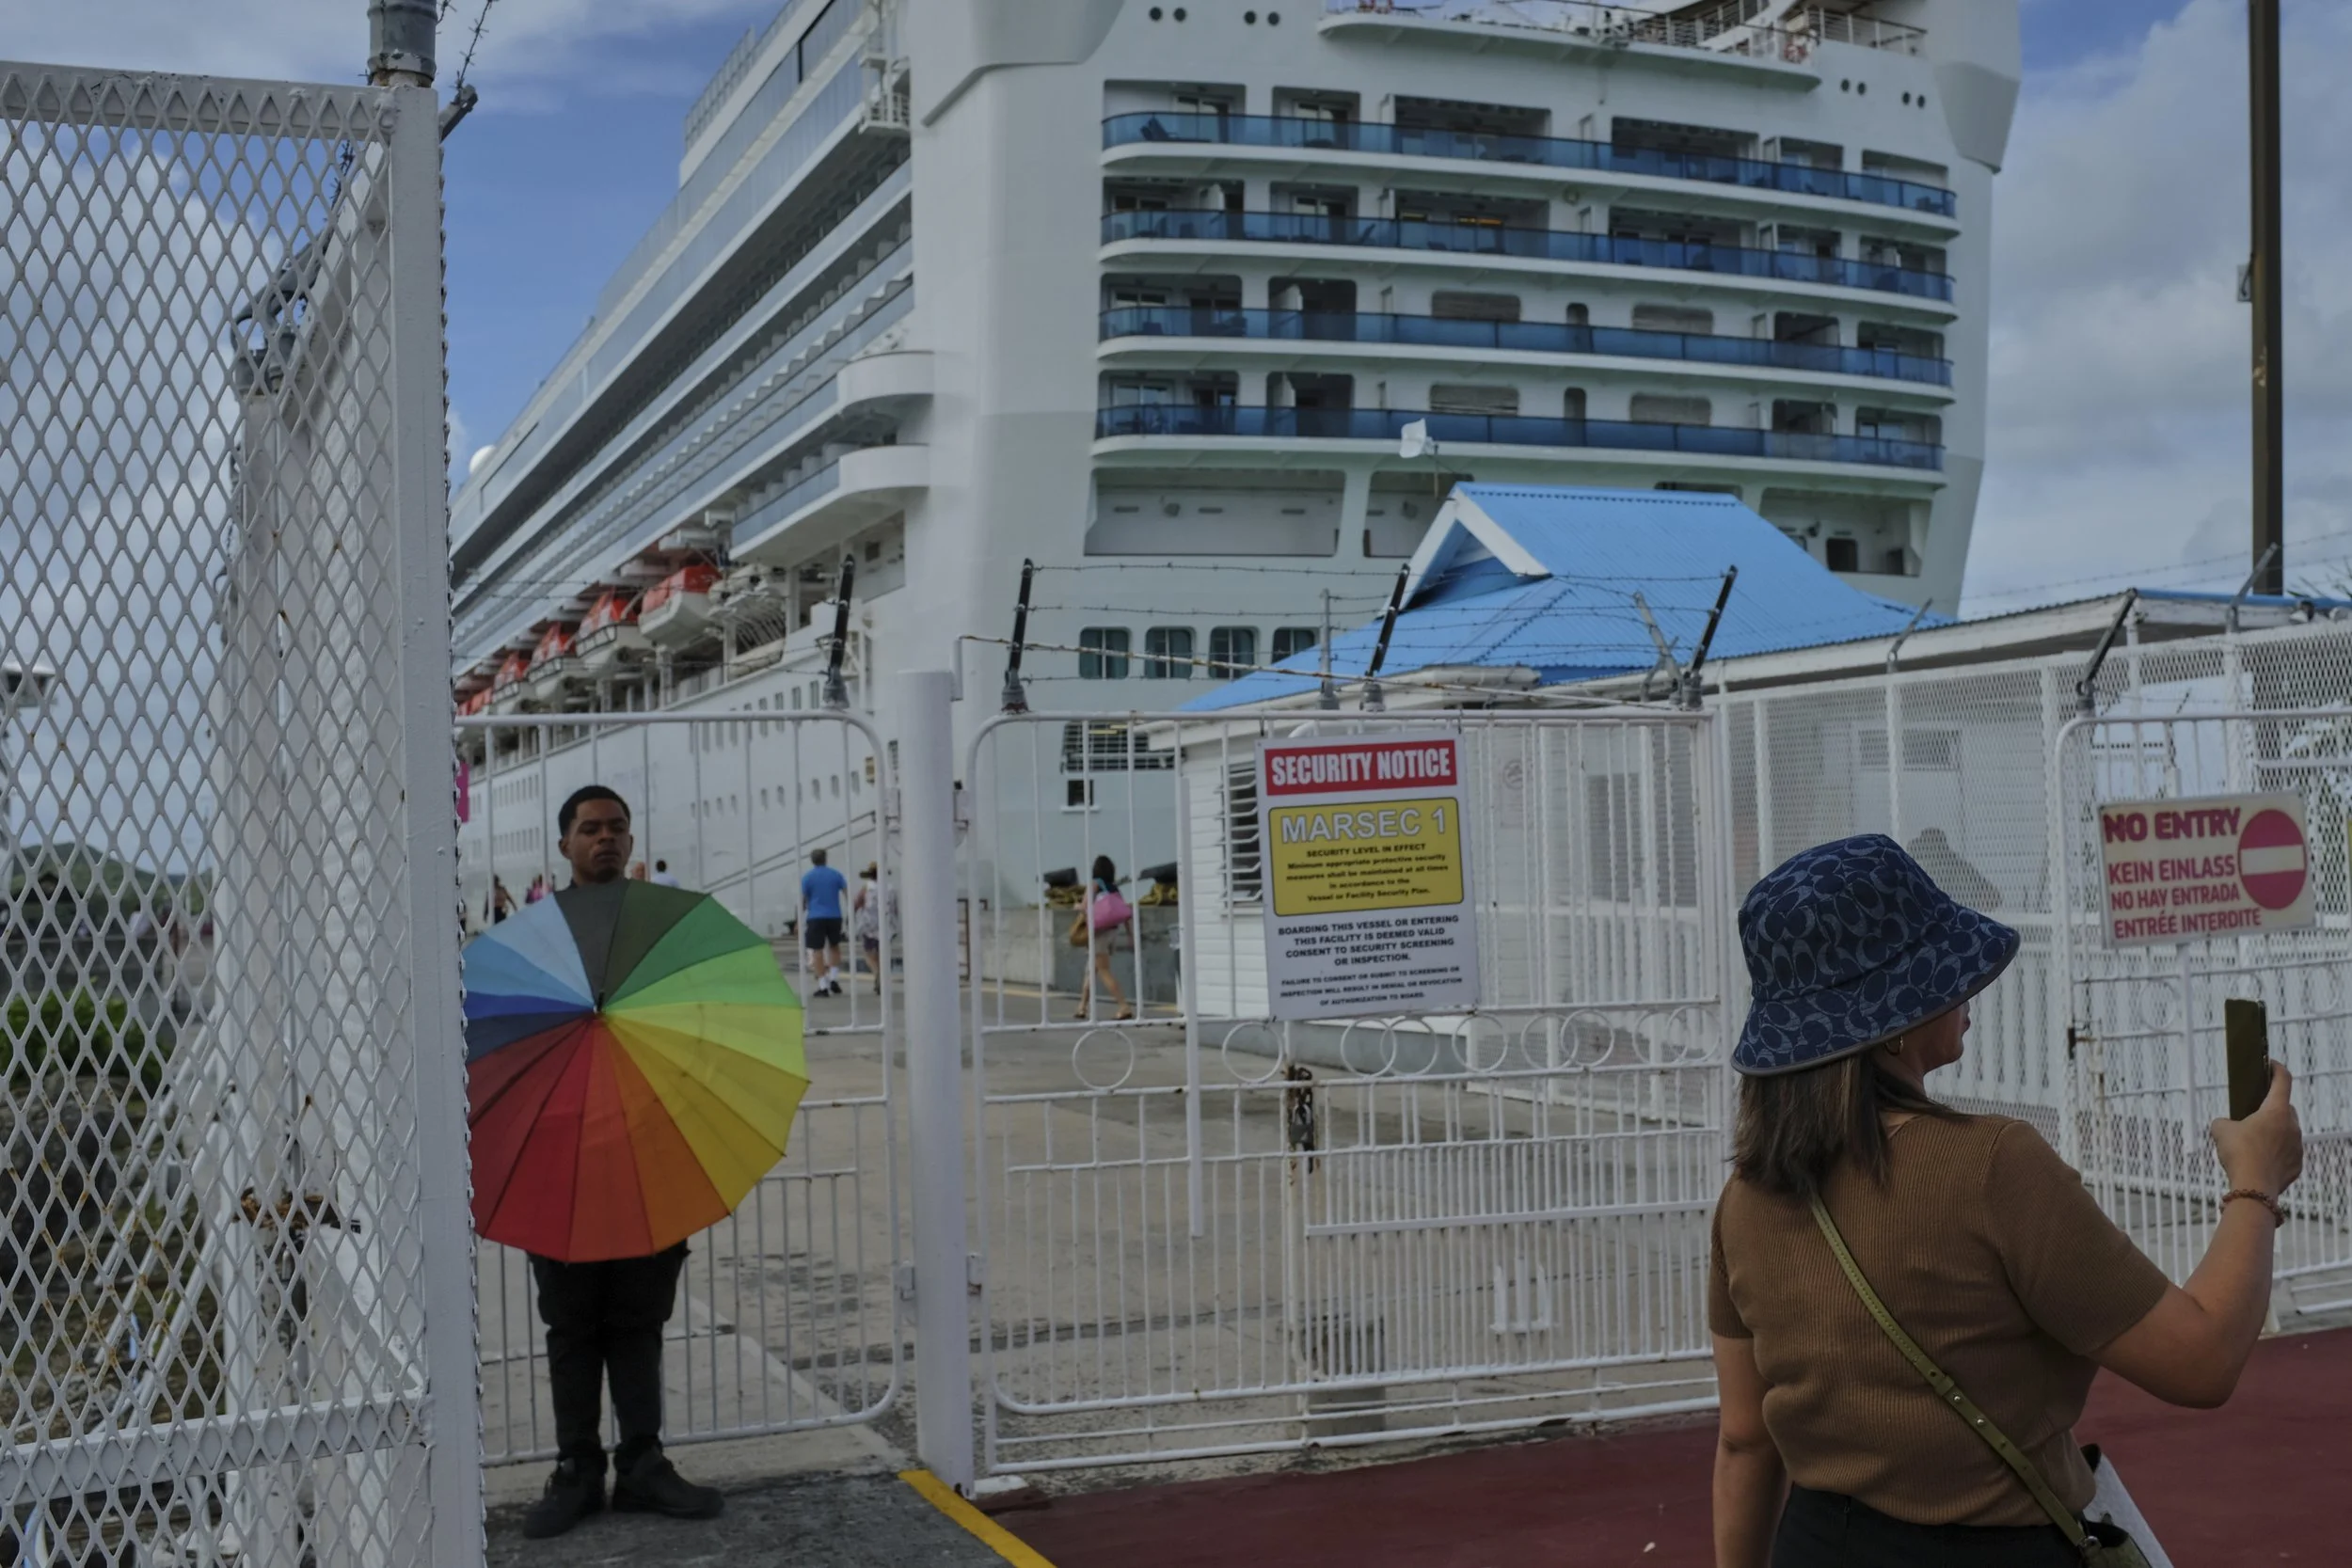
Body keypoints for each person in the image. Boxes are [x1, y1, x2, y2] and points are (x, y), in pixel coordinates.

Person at [1710, 835, 2304, 1568]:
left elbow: (1744, 1439)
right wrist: (2257, 1181)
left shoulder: (1745, 1199)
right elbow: (2201, 1359)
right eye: (1938, 970)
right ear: (1890, 1025)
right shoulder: (1993, 1167)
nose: (1966, 988)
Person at [520, 785, 725, 1541]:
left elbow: (698, 1015)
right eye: (589, 828)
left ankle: (642, 1462)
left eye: (616, 828)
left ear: (630, 840)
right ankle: (577, 1468)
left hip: (647, 1146)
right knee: (571, 1324)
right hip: (563, 1153)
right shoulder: (539, 934)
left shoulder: (660, 926)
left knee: (640, 1319)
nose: (604, 838)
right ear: (565, 845)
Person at [1071, 855, 1134, 1022]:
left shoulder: (1095, 884)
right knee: (1091, 970)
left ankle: (1124, 1006)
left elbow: (1084, 907)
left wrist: (1076, 906)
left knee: (1103, 970)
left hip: (1099, 933)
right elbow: (1125, 912)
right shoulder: (1114, 889)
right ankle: (1082, 1007)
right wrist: (1130, 935)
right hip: (1112, 933)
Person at [800, 848, 849, 996]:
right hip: (834, 915)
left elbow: (802, 900)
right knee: (834, 946)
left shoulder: (807, 877)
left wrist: (798, 919)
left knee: (817, 950)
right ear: (826, 859)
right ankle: (833, 978)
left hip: (815, 917)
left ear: (812, 860)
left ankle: (823, 985)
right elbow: (846, 893)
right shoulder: (835, 874)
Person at [852, 863, 894, 996]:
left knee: (869, 953)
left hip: (869, 925)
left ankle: (877, 973)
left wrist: (851, 916)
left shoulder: (867, 888)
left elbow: (857, 903)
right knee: (883, 953)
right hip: (886, 926)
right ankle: (882, 975)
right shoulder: (890, 888)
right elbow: (895, 908)